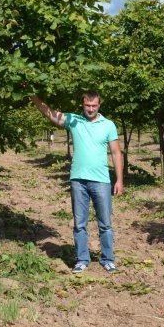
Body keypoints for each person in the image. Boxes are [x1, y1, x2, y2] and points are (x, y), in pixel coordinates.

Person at [31, 91, 123, 273]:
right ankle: (82, 259)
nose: (90, 109)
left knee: (105, 223)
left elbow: (116, 153)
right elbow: (50, 113)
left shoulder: (108, 125)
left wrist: (119, 180)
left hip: (101, 181)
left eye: (94, 106)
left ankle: (107, 259)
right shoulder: (73, 120)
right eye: (87, 105)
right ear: (83, 105)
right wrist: (33, 96)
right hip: (78, 181)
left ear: (99, 105)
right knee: (79, 223)